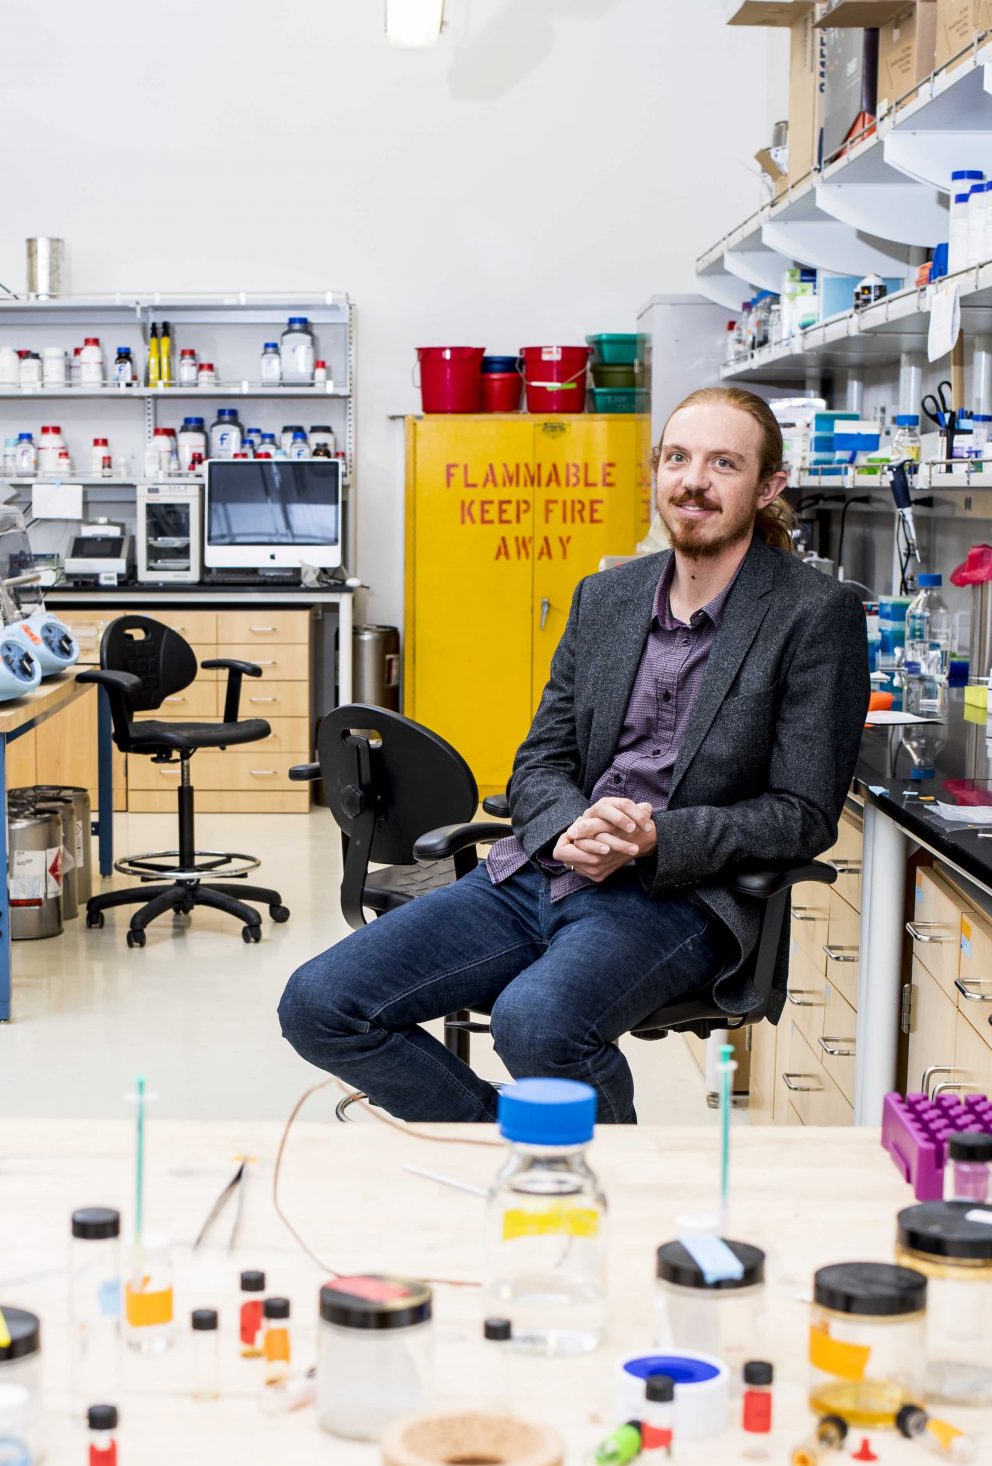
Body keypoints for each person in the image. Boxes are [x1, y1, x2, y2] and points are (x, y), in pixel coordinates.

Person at [278, 386, 869, 1123]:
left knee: (537, 1025)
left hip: (677, 897)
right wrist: (567, 828)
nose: (694, 481)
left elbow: (803, 813)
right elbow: (539, 760)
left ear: (768, 486)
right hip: (542, 870)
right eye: (678, 458)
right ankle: (513, 1143)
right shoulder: (606, 598)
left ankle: (600, 1183)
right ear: (657, 472)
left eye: (724, 463)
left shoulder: (814, 613)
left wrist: (655, 838)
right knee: (319, 1003)